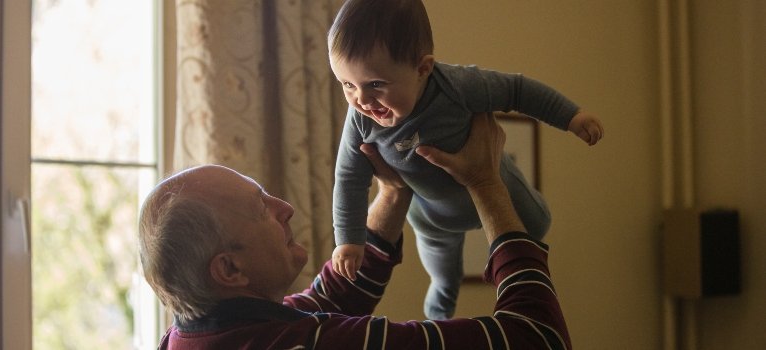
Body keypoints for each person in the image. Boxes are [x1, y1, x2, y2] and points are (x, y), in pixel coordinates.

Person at [138, 113, 571, 349]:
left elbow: (330, 298)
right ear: (229, 269)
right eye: (261, 208)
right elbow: (537, 339)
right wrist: (486, 183)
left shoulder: (201, 334)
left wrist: (393, 191)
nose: (285, 208)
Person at [328, 0, 604, 320]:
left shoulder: (457, 86)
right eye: (347, 84)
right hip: (433, 216)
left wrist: (571, 116)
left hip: (496, 181)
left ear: (423, 68)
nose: (361, 100)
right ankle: (439, 318)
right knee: (444, 277)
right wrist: (348, 240)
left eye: (375, 84)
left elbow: (517, 90)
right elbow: (349, 178)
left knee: (538, 225)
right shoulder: (361, 120)